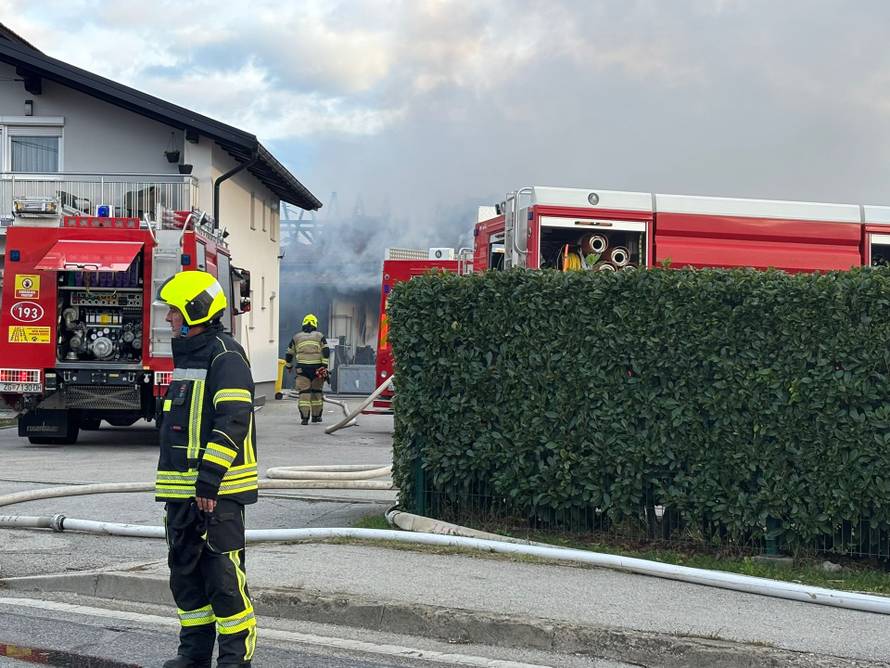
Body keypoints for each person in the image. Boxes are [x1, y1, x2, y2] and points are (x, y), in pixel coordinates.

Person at [154, 271, 258, 668]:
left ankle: (234, 660)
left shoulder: (225, 355)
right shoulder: (190, 358)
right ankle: (193, 654)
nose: (168, 320)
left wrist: (210, 482)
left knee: (225, 584)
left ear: (195, 311)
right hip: (181, 493)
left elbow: (232, 420)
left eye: (174, 312)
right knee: (187, 581)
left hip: (217, 495)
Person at [285, 313, 330, 425]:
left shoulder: (296, 337)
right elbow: (326, 351)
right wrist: (324, 367)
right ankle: (316, 417)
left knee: (304, 393)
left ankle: (305, 418)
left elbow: (289, 354)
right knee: (316, 393)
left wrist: (289, 366)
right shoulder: (320, 336)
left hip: (302, 370)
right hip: (317, 369)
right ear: (315, 324)